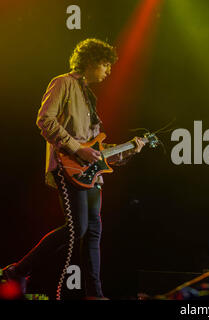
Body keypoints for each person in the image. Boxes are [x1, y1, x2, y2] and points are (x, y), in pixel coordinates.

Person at [1, 38, 146, 299]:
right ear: (90, 62)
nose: (109, 70)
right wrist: (77, 149)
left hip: (90, 175)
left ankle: (95, 294)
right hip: (68, 167)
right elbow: (44, 119)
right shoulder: (62, 83)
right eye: (105, 64)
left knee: (93, 231)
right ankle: (17, 271)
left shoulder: (89, 96)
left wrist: (127, 151)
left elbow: (94, 148)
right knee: (77, 228)